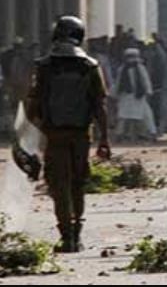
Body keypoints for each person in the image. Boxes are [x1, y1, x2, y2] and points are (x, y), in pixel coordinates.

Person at [25, 16, 111, 253]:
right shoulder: (90, 66)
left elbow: (33, 104)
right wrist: (104, 139)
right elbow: (100, 106)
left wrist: (27, 138)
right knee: (78, 183)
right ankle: (77, 233)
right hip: (82, 135)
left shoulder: (44, 66)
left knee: (58, 185)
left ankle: (66, 236)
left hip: (54, 135)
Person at [110, 48, 156, 142]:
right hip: (126, 96)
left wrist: (148, 91)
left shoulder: (140, 68)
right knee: (123, 116)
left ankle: (151, 133)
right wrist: (114, 94)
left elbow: (145, 81)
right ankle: (120, 134)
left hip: (138, 96)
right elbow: (118, 83)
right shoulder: (122, 69)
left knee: (145, 115)